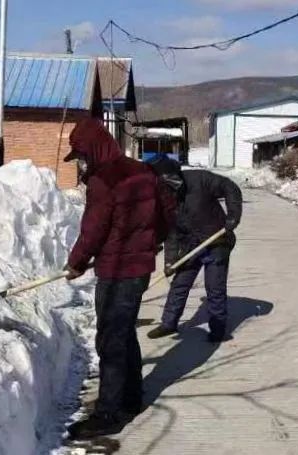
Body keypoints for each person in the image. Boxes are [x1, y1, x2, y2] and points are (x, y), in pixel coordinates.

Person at [62, 119, 172, 439]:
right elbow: (166, 214)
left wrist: (77, 262)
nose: (82, 162)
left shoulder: (103, 180)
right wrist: (150, 242)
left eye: (82, 155)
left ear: (94, 147)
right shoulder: (144, 171)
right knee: (123, 332)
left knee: (110, 338)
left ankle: (109, 412)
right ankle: (131, 396)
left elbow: (93, 229)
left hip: (116, 270)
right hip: (140, 269)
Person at [146, 166, 243, 343]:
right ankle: (168, 324)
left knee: (214, 287)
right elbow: (172, 234)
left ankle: (218, 329)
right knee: (180, 283)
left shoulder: (199, 179)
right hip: (190, 244)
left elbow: (230, 188)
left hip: (217, 239)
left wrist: (233, 215)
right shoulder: (164, 200)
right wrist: (170, 262)